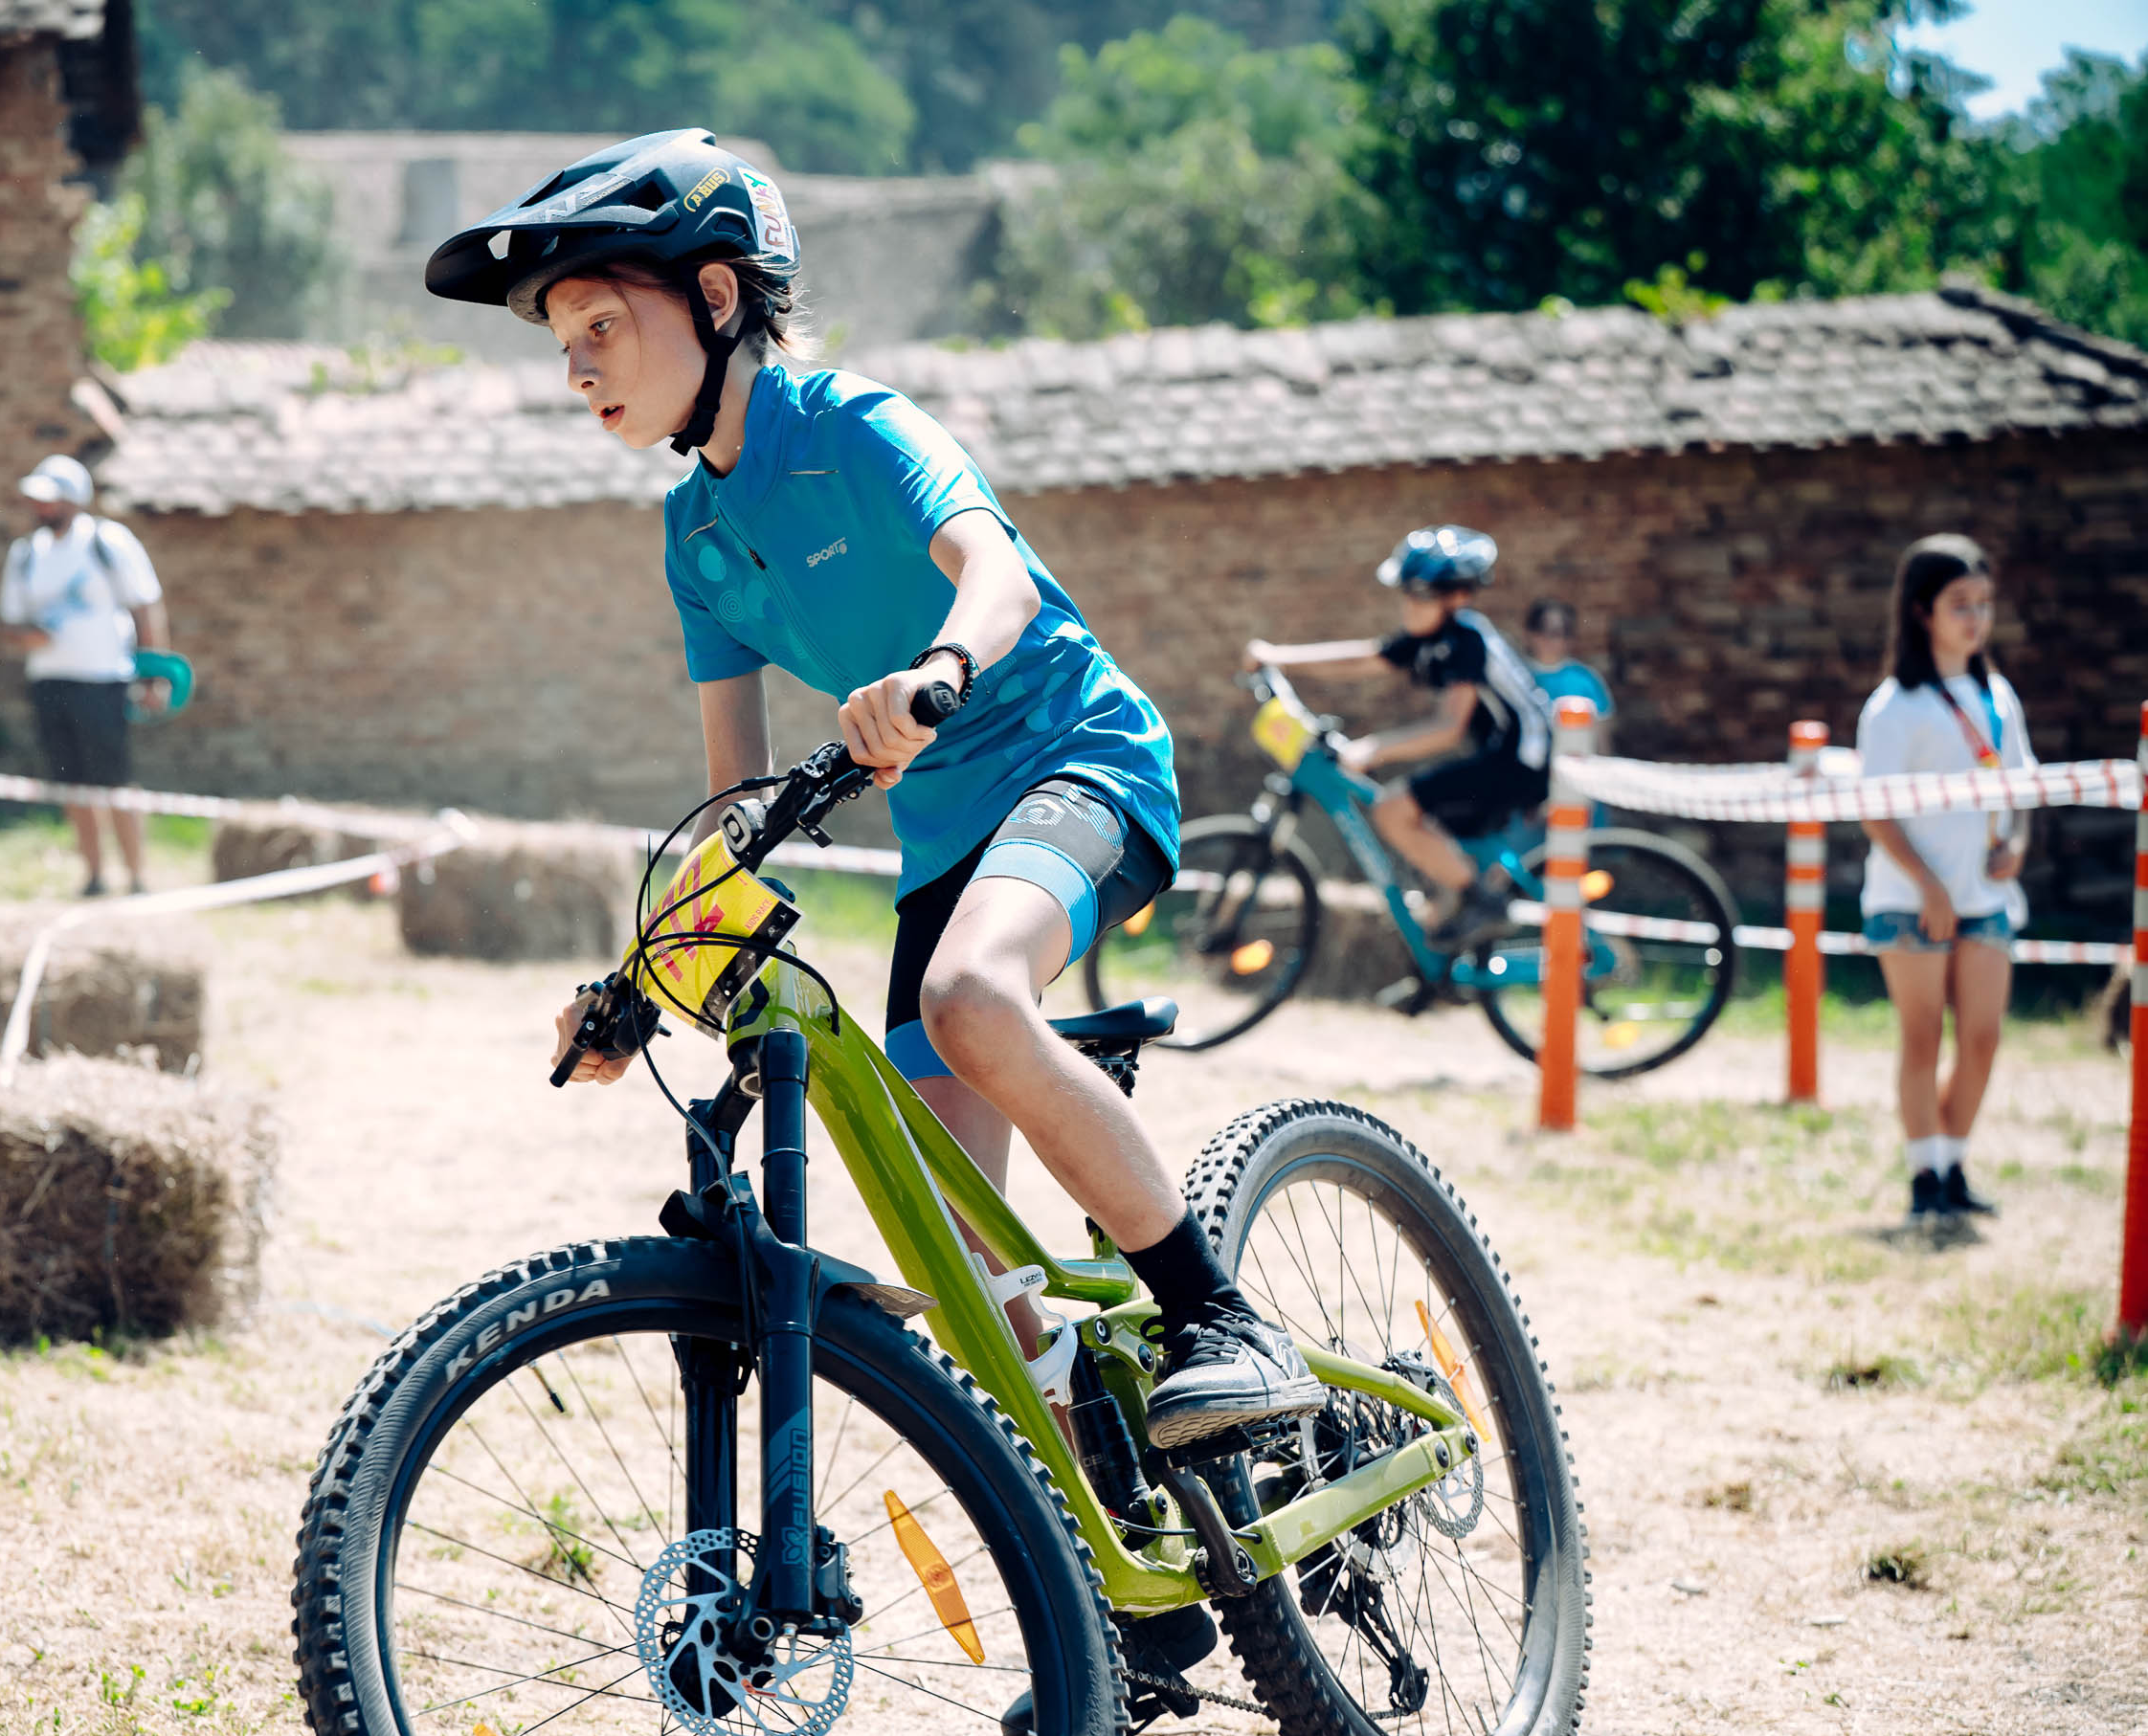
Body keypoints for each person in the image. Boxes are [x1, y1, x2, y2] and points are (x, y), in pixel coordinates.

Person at [426, 128, 1323, 1444]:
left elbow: (997, 574)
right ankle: (1118, 1500)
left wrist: (938, 670)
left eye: (601, 327)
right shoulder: (694, 535)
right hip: (947, 835)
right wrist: (640, 975)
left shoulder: (852, 425)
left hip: (1076, 759)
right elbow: (731, 803)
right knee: (962, 1261)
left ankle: (1223, 1321)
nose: (577, 370)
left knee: (970, 998)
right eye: (563, 344)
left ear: (715, 297)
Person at [1246, 527, 1554, 956]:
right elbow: (1365, 657)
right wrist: (1280, 657)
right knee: (1433, 851)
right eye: (1405, 593)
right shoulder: (1435, 635)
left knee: (1393, 809)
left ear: (1457, 597)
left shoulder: (1467, 641)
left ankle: (1486, 903)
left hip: (1523, 762)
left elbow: (1448, 727)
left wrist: (1372, 749)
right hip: (1505, 757)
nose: (1409, 604)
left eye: (1420, 595)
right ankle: (1454, 956)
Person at [1856, 533, 2033, 1225]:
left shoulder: (1999, 694)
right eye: (1960, 603)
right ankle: (1922, 1174)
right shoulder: (1894, 706)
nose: (1975, 618)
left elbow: (2021, 786)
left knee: (1982, 1037)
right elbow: (1875, 811)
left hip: (1986, 897)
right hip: (1910, 900)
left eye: (1984, 603)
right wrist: (1928, 885)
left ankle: (1955, 1165)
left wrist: (2017, 841)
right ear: (1922, 610)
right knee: (1922, 1037)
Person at [0, 453, 167, 898]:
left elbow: (144, 605)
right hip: (49, 680)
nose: (42, 508)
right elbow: (11, 623)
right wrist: (28, 638)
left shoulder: (107, 542)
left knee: (114, 780)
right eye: (37, 500)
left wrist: (153, 674)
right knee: (72, 784)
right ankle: (93, 875)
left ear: (74, 500)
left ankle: (137, 876)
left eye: (51, 499)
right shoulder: (25, 555)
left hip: (103, 678)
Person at [1522, 598, 1615, 742]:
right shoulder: (1518, 676)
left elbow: (1602, 736)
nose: (1551, 639)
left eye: (1561, 633)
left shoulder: (1586, 678)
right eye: (1545, 631)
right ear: (1530, 633)